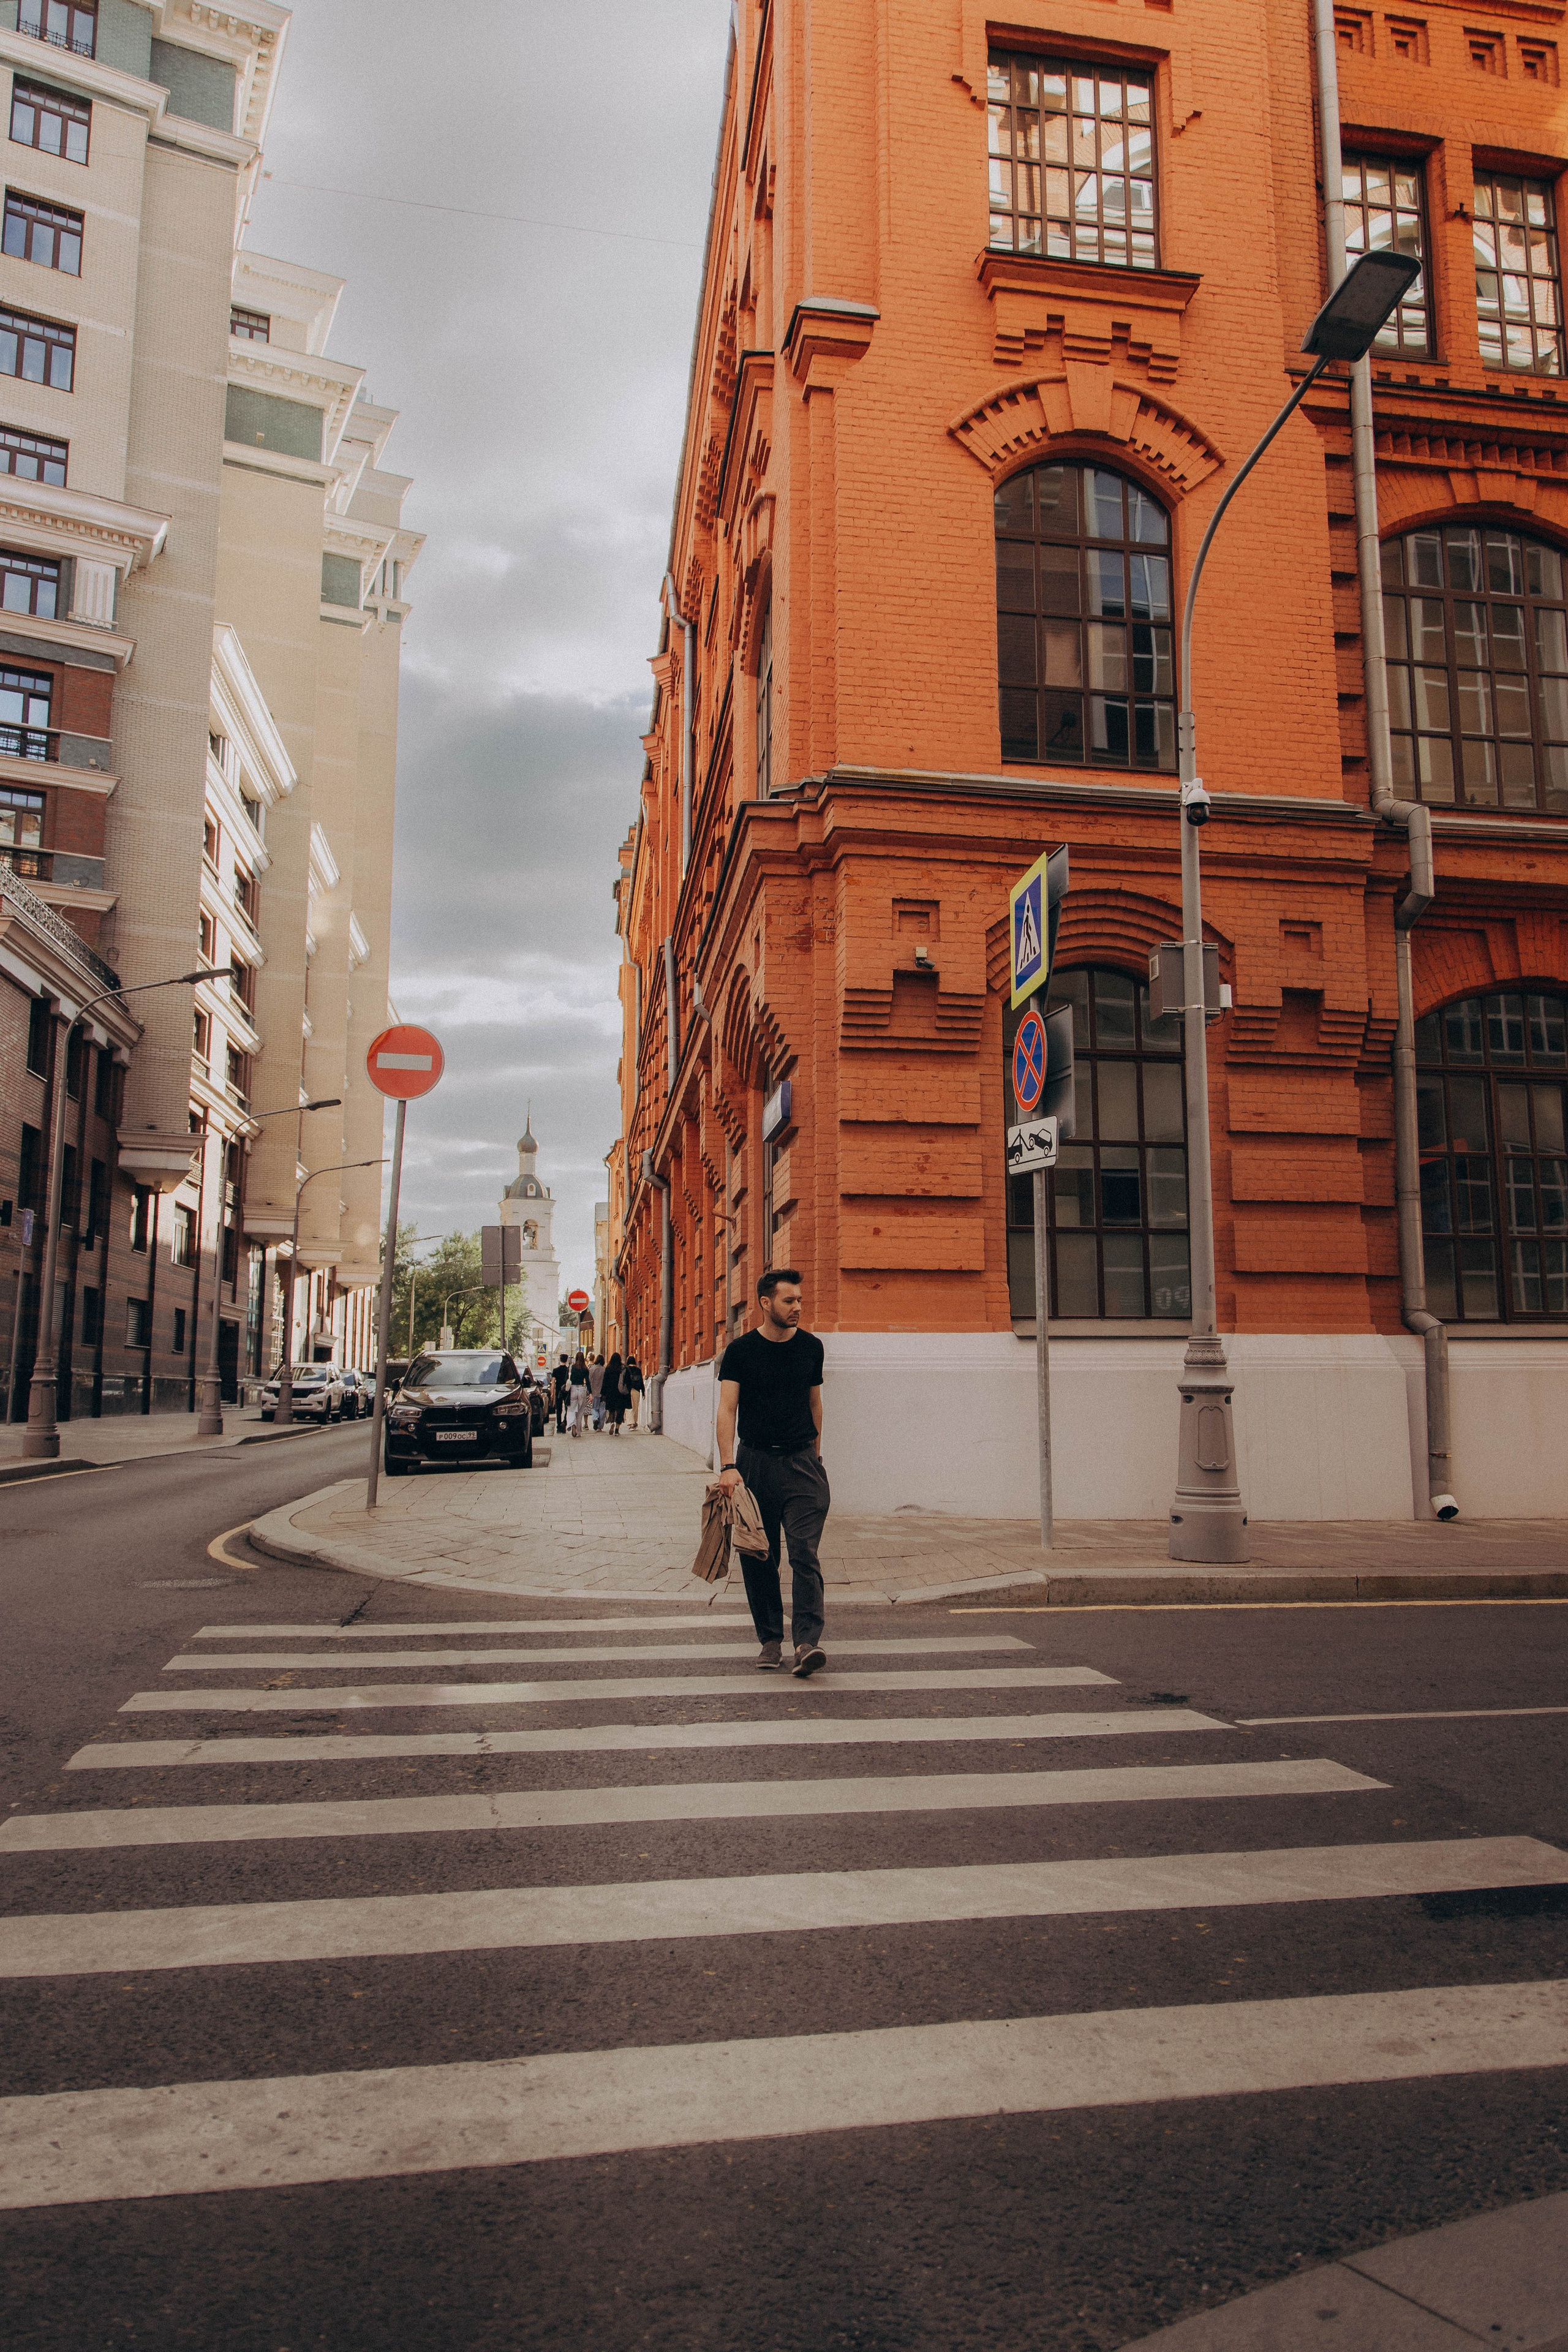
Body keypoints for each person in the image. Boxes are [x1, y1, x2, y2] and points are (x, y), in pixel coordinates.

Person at [715, 1268, 828, 1678]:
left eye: (799, 1300)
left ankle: (806, 1642)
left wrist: (816, 1457)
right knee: (760, 1556)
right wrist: (728, 1466)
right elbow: (727, 1410)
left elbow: (816, 1405)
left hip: (802, 1464)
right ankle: (769, 1640)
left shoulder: (812, 1348)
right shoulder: (742, 1351)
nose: (797, 1307)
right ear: (766, 1303)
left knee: (804, 1554)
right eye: (789, 1301)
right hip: (755, 1464)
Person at [567, 1350, 589, 1438]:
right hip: (581, 1389)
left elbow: (570, 1379)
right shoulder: (585, 1369)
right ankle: (579, 1432)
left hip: (573, 1389)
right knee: (580, 1412)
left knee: (572, 1410)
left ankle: (573, 1424)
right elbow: (588, 1382)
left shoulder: (573, 1367)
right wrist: (590, 1393)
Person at [603, 1351, 626, 1434]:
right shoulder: (623, 1368)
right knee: (620, 1410)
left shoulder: (608, 1368)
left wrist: (603, 1393)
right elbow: (627, 1380)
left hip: (610, 1392)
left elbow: (605, 1381)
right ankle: (617, 1429)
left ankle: (612, 1422)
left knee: (611, 1409)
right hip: (620, 1393)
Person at [550, 1352, 571, 1434]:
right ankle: (564, 1422)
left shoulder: (555, 1370)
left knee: (559, 1410)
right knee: (567, 1408)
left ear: (560, 1360)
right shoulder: (568, 1370)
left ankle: (559, 1427)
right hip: (566, 1391)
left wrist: (552, 1392)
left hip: (559, 1391)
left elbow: (553, 1383)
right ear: (566, 1360)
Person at [624, 1354, 644, 1430]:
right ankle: (635, 1422)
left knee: (628, 1407)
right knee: (636, 1407)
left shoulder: (626, 1369)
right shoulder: (638, 1370)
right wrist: (643, 1392)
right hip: (637, 1390)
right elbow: (641, 1381)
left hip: (628, 1390)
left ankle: (631, 1423)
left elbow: (624, 1381)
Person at [587, 1353, 606, 1430]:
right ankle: (600, 1427)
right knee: (602, 1409)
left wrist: (590, 1392)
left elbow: (589, 1381)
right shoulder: (604, 1370)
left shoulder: (592, 1370)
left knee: (595, 1408)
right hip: (603, 1392)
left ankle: (595, 1419)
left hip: (595, 1392)